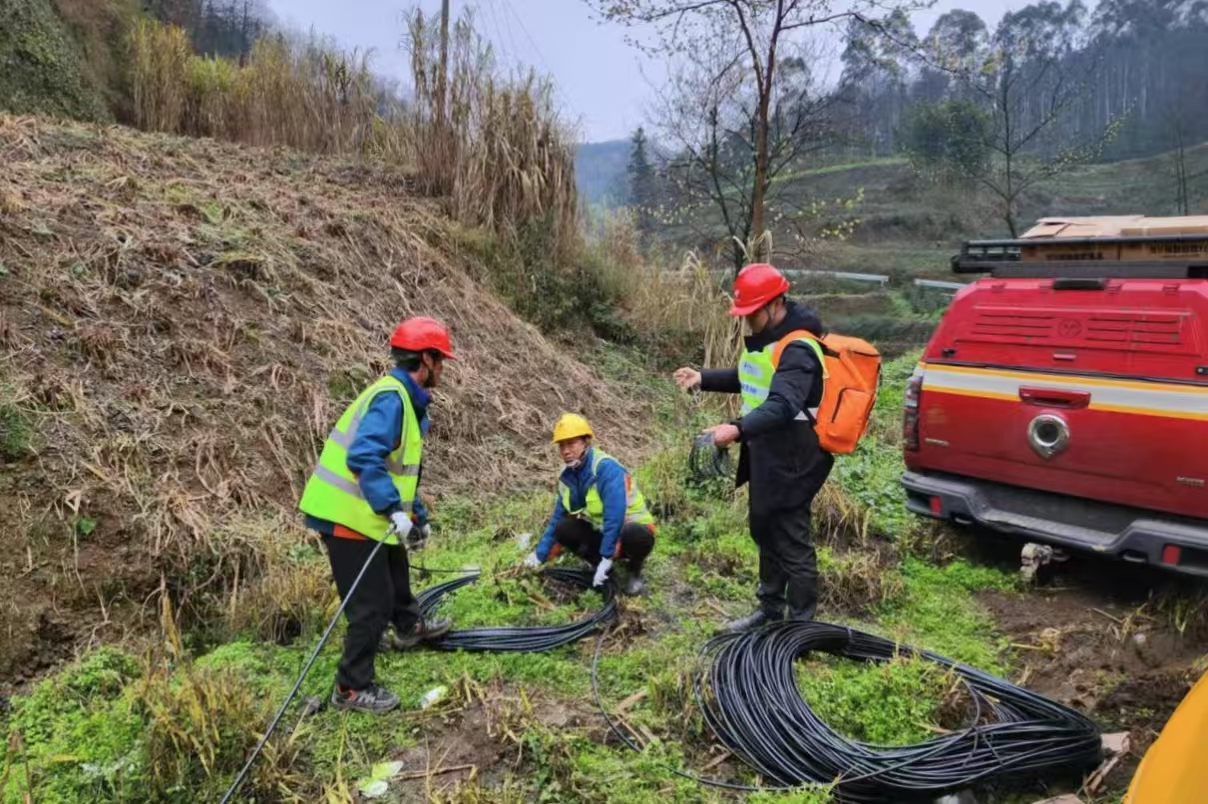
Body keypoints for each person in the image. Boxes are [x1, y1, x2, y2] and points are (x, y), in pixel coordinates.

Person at [298, 316, 456, 714]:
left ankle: (408, 627)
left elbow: (398, 471)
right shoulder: (392, 399)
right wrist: (390, 509)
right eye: (440, 361)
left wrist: (414, 515)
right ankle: (350, 688)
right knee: (369, 606)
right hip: (346, 514)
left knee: (396, 570)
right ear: (425, 358)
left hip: (366, 512)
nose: (443, 369)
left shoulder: (406, 399)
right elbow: (364, 456)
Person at [673, 263, 831, 633]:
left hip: (795, 457)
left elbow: (782, 404)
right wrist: (703, 378)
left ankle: (801, 626)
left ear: (775, 304)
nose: (746, 321)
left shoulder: (799, 348)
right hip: (766, 452)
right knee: (764, 527)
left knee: (791, 535)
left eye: (751, 313)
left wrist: (736, 428)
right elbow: (750, 378)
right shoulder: (770, 341)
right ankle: (770, 609)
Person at [522, 413, 655, 596]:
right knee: (564, 527)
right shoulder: (568, 477)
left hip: (631, 531)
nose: (565, 451)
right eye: (561, 446)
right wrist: (539, 556)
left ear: (585, 442)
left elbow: (614, 516)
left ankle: (635, 572)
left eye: (571, 444)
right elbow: (557, 518)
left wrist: (607, 556)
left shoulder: (606, 469)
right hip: (605, 534)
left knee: (636, 534)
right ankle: (603, 569)